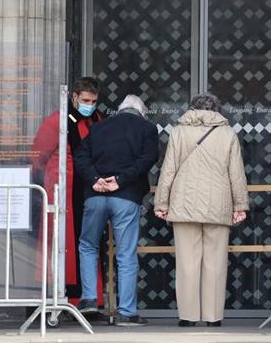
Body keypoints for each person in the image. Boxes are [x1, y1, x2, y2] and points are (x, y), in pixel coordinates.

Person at [153, 93, 249, 328]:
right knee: (215, 263)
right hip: (219, 203)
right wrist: (240, 205)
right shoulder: (227, 134)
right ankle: (213, 317)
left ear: (192, 108)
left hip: (184, 202)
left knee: (187, 262)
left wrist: (161, 203)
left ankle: (188, 316)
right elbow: (236, 173)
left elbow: (168, 170)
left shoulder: (179, 131)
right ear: (217, 110)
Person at [73, 94, 159, 326]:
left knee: (88, 246)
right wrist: (120, 180)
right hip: (126, 196)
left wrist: (94, 179)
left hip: (96, 196)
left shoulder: (99, 127)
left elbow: (80, 155)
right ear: (141, 112)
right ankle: (126, 312)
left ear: (120, 110)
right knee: (126, 253)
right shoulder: (147, 128)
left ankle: (90, 298)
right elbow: (148, 158)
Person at [31, 77, 106, 304]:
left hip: (88, 189)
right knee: (63, 244)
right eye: (85, 100)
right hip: (63, 191)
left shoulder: (98, 119)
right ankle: (62, 298)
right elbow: (38, 156)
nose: (89, 105)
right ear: (74, 97)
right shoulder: (56, 121)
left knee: (89, 243)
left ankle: (89, 298)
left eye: (93, 101)